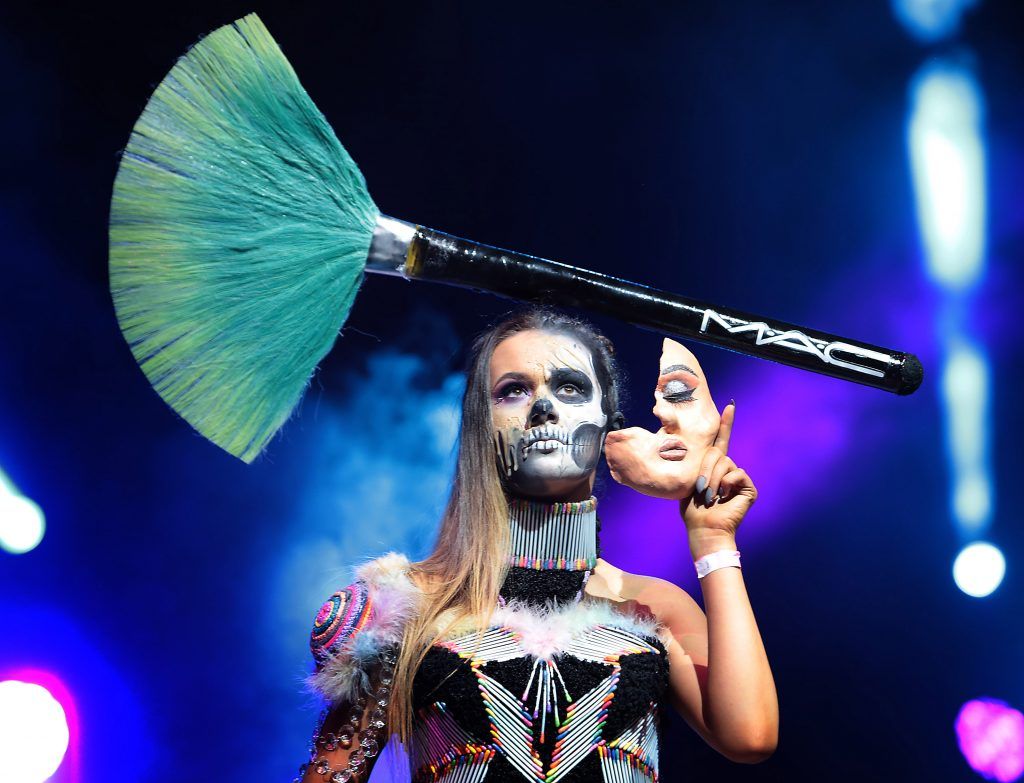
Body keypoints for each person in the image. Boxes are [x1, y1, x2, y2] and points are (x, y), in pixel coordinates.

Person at [297, 308, 778, 783]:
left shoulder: (654, 609)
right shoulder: (403, 607)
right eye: (514, 391)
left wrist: (713, 541)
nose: (542, 407)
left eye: (570, 387)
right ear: (482, 425)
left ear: (607, 422)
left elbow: (749, 737)